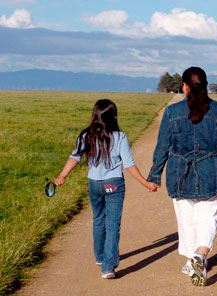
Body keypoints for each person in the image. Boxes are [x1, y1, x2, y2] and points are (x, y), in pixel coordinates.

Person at [147, 67, 217, 286]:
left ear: (184, 86)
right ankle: (200, 253)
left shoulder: (171, 112)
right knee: (208, 218)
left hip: (180, 173)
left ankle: (190, 260)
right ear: (206, 86)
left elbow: (162, 147)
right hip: (213, 172)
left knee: (186, 219)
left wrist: (155, 176)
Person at [55, 99, 158, 279]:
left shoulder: (86, 135)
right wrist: (145, 183)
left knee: (98, 219)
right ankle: (108, 267)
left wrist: (62, 175)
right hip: (114, 184)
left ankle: (100, 257)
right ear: (114, 116)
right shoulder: (120, 137)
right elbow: (129, 165)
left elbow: (75, 157)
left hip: (94, 184)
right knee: (112, 225)